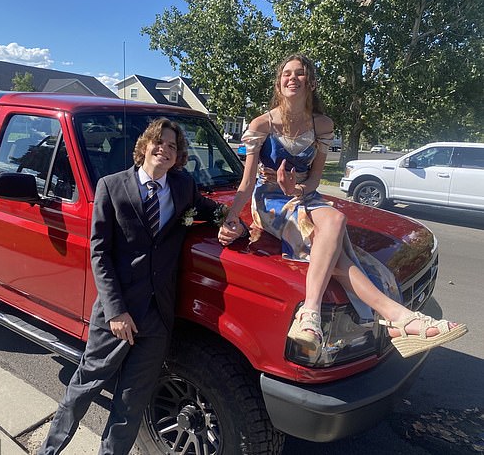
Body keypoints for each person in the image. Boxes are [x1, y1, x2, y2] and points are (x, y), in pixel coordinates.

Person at [218, 53, 467, 359]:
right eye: (286, 73)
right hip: (270, 200)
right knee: (330, 247)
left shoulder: (322, 124)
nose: (292, 78)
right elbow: (245, 184)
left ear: (310, 82)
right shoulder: (262, 124)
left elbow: (315, 181)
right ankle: (399, 319)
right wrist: (230, 218)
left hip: (301, 194)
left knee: (335, 221)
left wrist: (296, 188)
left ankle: (313, 315)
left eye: (299, 73)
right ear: (278, 81)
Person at [39, 118, 244, 455]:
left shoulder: (183, 187)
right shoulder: (111, 186)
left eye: (173, 146)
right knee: (83, 388)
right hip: (116, 316)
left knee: (131, 402)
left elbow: (217, 213)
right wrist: (116, 311)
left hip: (157, 318)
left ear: (178, 157)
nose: (165, 149)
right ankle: (49, 450)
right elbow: (100, 254)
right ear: (145, 146)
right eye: (159, 142)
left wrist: (236, 227)